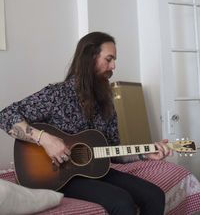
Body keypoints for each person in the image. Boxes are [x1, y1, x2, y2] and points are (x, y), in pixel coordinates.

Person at [0, 31, 172, 215]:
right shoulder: (57, 94)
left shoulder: (106, 103)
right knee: (121, 202)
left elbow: (113, 151)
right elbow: (5, 116)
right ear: (90, 58)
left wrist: (144, 153)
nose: (113, 66)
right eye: (109, 59)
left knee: (155, 195)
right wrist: (45, 139)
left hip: (96, 170)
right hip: (59, 175)